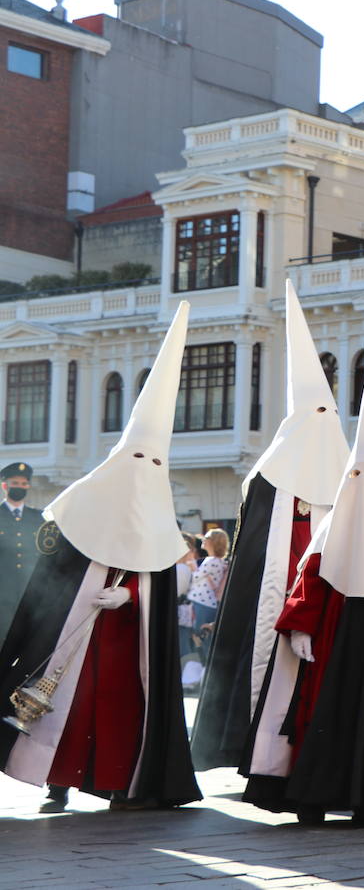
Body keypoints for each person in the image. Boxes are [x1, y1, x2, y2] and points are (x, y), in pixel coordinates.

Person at [241, 324, 364, 826]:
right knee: (321, 721)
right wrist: (300, 627)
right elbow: (308, 579)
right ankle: (311, 795)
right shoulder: (332, 528)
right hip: (331, 654)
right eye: (356, 475)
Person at [0, 303, 200, 813]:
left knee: (117, 707)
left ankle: (116, 780)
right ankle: (56, 778)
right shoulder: (78, 504)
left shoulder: (159, 510)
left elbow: (171, 570)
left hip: (126, 636)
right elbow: (52, 567)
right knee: (63, 701)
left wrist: (130, 594)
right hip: (71, 629)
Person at [192, 281, 351, 771]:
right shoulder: (268, 479)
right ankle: (255, 754)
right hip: (274, 595)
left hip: (327, 597)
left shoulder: (348, 471)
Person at [0, 461, 44, 639]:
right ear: (5, 486)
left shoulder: (39, 518)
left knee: (28, 640)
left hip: (31, 591)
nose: (20, 487)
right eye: (15, 484)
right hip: (3, 593)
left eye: (24, 484)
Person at [182, 529, 229, 680]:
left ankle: (206, 673)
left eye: (207, 537)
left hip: (202, 602)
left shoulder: (211, 561)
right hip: (208, 603)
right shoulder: (219, 562)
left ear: (213, 542)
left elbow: (195, 577)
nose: (203, 539)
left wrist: (191, 567)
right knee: (204, 637)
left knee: (201, 637)